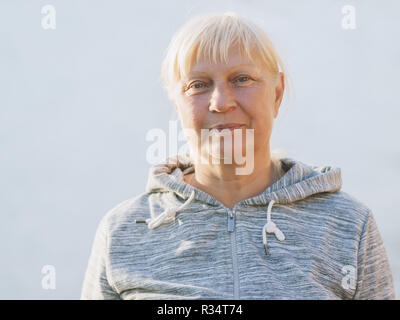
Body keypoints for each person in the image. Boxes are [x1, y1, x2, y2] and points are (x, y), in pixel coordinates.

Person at [80, 12, 395, 300]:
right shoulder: (122, 231)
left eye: (241, 79)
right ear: (177, 104)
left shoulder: (348, 225)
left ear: (277, 93)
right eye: (198, 85)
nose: (220, 101)